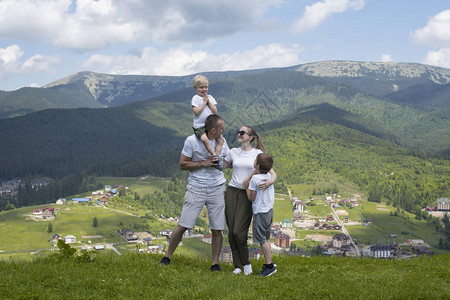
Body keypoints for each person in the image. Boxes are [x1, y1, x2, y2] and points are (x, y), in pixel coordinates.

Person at [159, 114, 229, 271]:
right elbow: (183, 164)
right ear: (213, 130)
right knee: (184, 224)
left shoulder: (222, 141)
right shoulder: (192, 140)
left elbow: (227, 161)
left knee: (217, 228)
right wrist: (204, 163)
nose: (224, 129)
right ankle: (167, 256)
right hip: (196, 187)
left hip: (217, 187)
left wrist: (225, 164)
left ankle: (215, 263)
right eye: (221, 127)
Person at [223, 125, 276, 275]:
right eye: (238, 132)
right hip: (232, 191)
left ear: (250, 137)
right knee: (231, 231)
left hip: (248, 194)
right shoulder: (233, 152)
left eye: (242, 132)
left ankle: (246, 263)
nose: (238, 134)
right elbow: (224, 165)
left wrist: (271, 181)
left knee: (239, 231)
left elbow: (272, 173)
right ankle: (238, 266)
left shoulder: (257, 153)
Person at [246, 153, 277, 277]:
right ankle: (270, 262)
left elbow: (251, 198)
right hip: (269, 211)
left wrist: (246, 188)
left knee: (262, 240)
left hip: (260, 213)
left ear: (257, 165)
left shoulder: (254, 180)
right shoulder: (269, 177)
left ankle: (269, 266)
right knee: (266, 238)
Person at [191, 75, 224, 170]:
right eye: (201, 87)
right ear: (195, 88)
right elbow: (196, 112)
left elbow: (214, 111)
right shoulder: (195, 98)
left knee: (221, 140)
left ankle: (217, 158)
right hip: (200, 127)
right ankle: (214, 155)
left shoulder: (210, 98)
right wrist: (204, 103)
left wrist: (208, 102)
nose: (204, 89)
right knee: (205, 140)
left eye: (206, 87)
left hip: (211, 126)